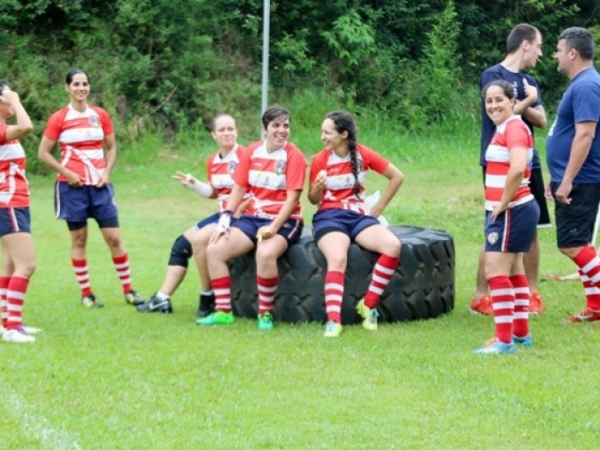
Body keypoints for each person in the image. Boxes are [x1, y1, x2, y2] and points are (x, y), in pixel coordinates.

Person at [37, 69, 145, 309]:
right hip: (71, 188)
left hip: (100, 186)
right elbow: (43, 153)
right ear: (67, 87)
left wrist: (106, 173)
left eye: (85, 83)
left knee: (114, 238)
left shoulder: (100, 115)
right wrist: (67, 173)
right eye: (76, 84)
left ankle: (129, 290)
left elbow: (112, 148)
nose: (81, 88)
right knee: (79, 239)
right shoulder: (59, 118)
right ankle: (87, 293)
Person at [196, 105, 306, 329]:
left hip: (285, 220)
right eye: (276, 125)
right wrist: (225, 220)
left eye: (286, 126)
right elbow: (238, 189)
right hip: (253, 217)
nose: (281, 130)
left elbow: (292, 199)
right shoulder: (251, 151)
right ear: (264, 129)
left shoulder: (294, 156)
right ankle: (223, 312)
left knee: (265, 253)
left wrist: (274, 227)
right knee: (214, 249)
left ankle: (264, 314)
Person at [470, 23, 549, 316]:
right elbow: (499, 115)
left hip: (529, 162)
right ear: (525, 44)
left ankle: (531, 293)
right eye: (539, 46)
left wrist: (527, 103)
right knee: (495, 225)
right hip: (500, 162)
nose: (540, 53)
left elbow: (541, 120)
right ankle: (481, 296)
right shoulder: (493, 75)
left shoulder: (529, 79)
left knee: (532, 230)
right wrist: (526, 99)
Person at [136, 114, 249, 315]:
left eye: (230, 129)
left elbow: (258, 190)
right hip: (222, 215)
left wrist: (239, 211)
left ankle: (207, 297)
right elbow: (215, 192)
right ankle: (162, 299)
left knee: (199, 240)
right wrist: (194, 185)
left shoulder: (246, 156)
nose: (227, 133)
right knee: (180, 246)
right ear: (213, 134)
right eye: (221, 130)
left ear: (237, 132)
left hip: (241, 217)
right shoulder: (213, 160)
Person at [308, 111, 404, 337]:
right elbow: (312, 199)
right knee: (338, 257)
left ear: (343, 134)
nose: (322, 137)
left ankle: (369, 305)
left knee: (393, 246)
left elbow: (397, 176)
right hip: (329, 216)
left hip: (359, 216)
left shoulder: (362, 154)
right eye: (322, 131)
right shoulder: (320, 159)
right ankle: (333, 320)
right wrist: (318, 188)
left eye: (327, 132)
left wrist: (378, 208)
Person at [474, 80, 540, 354]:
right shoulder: (505, 127)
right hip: (516, 209)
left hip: (512, 209)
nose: (493, 105)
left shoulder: (513, 127)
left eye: (499, 99)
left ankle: (504, 342)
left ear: (512, 101)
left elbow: (517, 168)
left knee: (495, 271)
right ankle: (521, 334)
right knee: (514, 271)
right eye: (489, 101)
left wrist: (502, 203)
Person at [545, 27, 600, 323]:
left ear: (572, 53)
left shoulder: (587, 86)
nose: (555, 55)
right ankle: (595, 307)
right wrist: (556, 177)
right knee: (580, 243)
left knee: (572, 244)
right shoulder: (581, 84)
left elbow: (585, 135)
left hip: (582, 179)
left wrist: (566, 180)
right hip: (571, 177)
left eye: (558, 49)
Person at [0, 81, 41, 343]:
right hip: (8, 202)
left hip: (16, 202)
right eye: (5, 98)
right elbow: (27, 126)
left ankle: (7, 321)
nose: (11, 102)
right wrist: (15, 99)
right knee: (27, 265)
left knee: (12, 263)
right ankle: (13, 327)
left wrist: (10, 98)